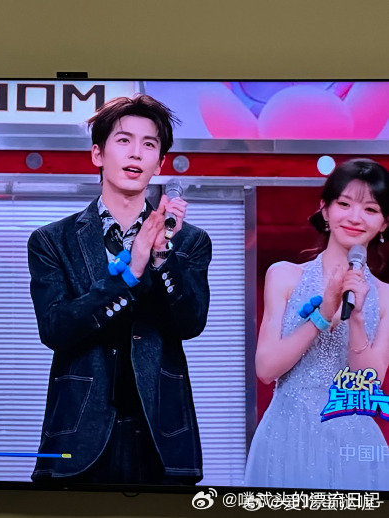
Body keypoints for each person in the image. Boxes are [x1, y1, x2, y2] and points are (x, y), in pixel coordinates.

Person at [28, 94, 211, 485]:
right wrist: (131, 271)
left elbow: (190, 323)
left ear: (159, 163)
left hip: (162, 430)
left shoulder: (189, 241)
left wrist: (161, 257)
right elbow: (56, 329)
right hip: (79, 432)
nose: (136, 153)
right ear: (98, 153)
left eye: (149, 144)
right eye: (124, 140)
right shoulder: (52, 240)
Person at [245, 158, 389, 490]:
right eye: (344, 204)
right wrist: (322, 314)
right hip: (286, 436)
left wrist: (356, 317)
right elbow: (266, 369)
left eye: (370, 209)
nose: (355, 217)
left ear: (384, 224)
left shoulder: (384, 295)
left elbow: (369, 385)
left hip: (353, 443)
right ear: (325, 209)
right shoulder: (284, 276)